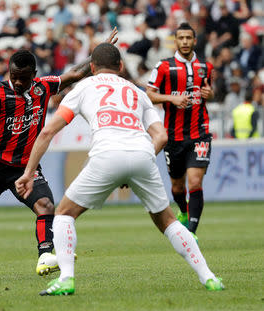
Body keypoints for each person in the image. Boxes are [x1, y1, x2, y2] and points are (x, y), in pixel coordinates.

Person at [15, 43, 224, 295]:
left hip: (106, 154)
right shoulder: (137, 91)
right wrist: (140, 161)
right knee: (168, 220)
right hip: (142, 153)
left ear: (92, 68)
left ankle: (66, 279)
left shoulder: (84, 87)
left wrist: (28, 173)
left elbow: (48, 131)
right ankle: (209, 277)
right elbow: (161, 136)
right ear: (121, 67)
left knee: (64, 214)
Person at [0, 28, 119, 277]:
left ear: (34, 76)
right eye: (13, 76)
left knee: (46, 205)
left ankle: (45, 255)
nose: (17, 81)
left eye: (23, 78)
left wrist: (98, 54)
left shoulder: (44, 88)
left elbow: (76, 73)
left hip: (26, 169)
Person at [146, 23, 214, 235]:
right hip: (173, 135)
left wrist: (209, 95)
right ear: (175, 41)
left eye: (188, 38)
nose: (185, 42)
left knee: (195, 180)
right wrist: (171, 98)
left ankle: (192, 231)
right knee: (177, 187)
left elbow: (208, 93)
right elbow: (148, 93)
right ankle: (183, 211)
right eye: (181, 38)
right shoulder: (164, 66)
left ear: (194, 40)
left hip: (199, 133)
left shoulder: (205, 66)